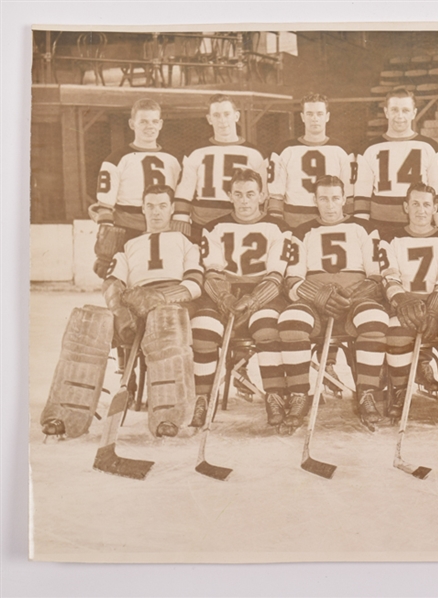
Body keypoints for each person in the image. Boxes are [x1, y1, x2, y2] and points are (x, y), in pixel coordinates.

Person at [41, 184, 201, 438]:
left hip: (171, 306)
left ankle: (168, 418)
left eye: (162, 206)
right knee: (88, 322)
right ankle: (66, 412)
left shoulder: (186, 242)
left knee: (165, 322)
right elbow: (113, 283)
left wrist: (160, 298)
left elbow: (194, 284)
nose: (156, 212)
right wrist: (120, 311)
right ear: (142, 208)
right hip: (133, 305)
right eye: (150, 206)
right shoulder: (129, 246)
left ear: (172, 209)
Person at [189, 169, 295, 431]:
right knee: (202, 328)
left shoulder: (279, 228)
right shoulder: (213, 227)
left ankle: (275, 395)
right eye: (238, 194)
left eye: (250, 194)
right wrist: (224, 298)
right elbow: (211, 271)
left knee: (267, 327)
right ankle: (202, 397)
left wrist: (254, 301)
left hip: (264, 293)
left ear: (262, 195)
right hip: (224, 294)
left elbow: (276, 274)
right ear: (229, 196)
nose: (245, 201)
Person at [284, 175, 390, 429]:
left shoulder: (364, 229)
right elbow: (292, 279)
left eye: (335, 198)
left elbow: (376, 276)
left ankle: (366, 394)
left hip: (354, 297)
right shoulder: (302, 231)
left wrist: (352, 295)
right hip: (315, 298)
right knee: (290, 320)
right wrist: (316, 295)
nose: (330, 205)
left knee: (375, 319)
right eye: (323, 199)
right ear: (314, 200)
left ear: (345, 199)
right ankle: (299, 395)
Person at [378, 182, 438, 420]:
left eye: (426, 205)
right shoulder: (390, 238)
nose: (421, 210)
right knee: (395, 335)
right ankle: (400, 389)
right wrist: (402, 302)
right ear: (405, 207)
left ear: (434, 208)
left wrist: (432, 310)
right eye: (415, 204)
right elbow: (389, 276)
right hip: (406, 304)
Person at [89, 98, 182, 279]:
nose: (150, 126)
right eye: (143, 121)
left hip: (163, 227)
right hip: (128, 227)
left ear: (161, 124)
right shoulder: (116, 159)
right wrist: (106, 246)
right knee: (123, 280)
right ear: (132, 124)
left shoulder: (173, 159)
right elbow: (105, 204)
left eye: (154, 121)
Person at [172, 94, 269, 238]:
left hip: (241, 224)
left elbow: (262, 194)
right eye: (216, 115)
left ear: (236, 116)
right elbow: (184, 190)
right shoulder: (195, 152)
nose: (222, 120)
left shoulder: (255, 154)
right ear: (209, 119)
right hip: (202, 224)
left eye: (227, 114)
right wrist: (180, 223)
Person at [353, 89, 438, 231]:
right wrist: (361, 229)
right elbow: (362, 196)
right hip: (380, 225)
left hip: (419, 225)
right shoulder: (369, 149)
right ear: (386, 112)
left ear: (414, 113)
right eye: (394, 110)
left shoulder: (430, 147)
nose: (400, 116)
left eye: (405, 110)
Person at [268, 92, 355, 228]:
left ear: (327, 117)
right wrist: (278, 225)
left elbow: (348, 195)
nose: (315, 119)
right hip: (294, 219)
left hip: (331, 219)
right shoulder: (285, 150)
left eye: (319, 114)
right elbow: (276, 195)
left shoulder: (342, 150)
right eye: (309, 114)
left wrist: (348, 224)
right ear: (302, 117)